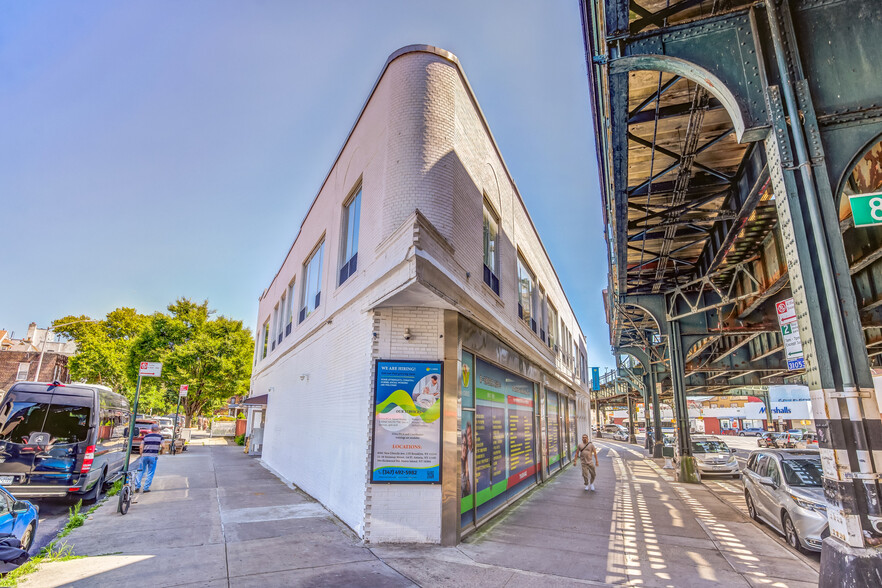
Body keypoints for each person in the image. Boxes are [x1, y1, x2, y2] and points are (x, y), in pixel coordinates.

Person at [134, 424, 163, 493]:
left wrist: (141, 454)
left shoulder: (146, 436)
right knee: (150, 472)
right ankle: (146, 488)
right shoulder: (160, 437)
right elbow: (163, 446)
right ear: (158, 430)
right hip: (153, 456)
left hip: (144, 456)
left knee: (141, 471)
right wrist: (161, 451)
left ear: (151, 430)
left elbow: (141, 447)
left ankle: (137, 486)